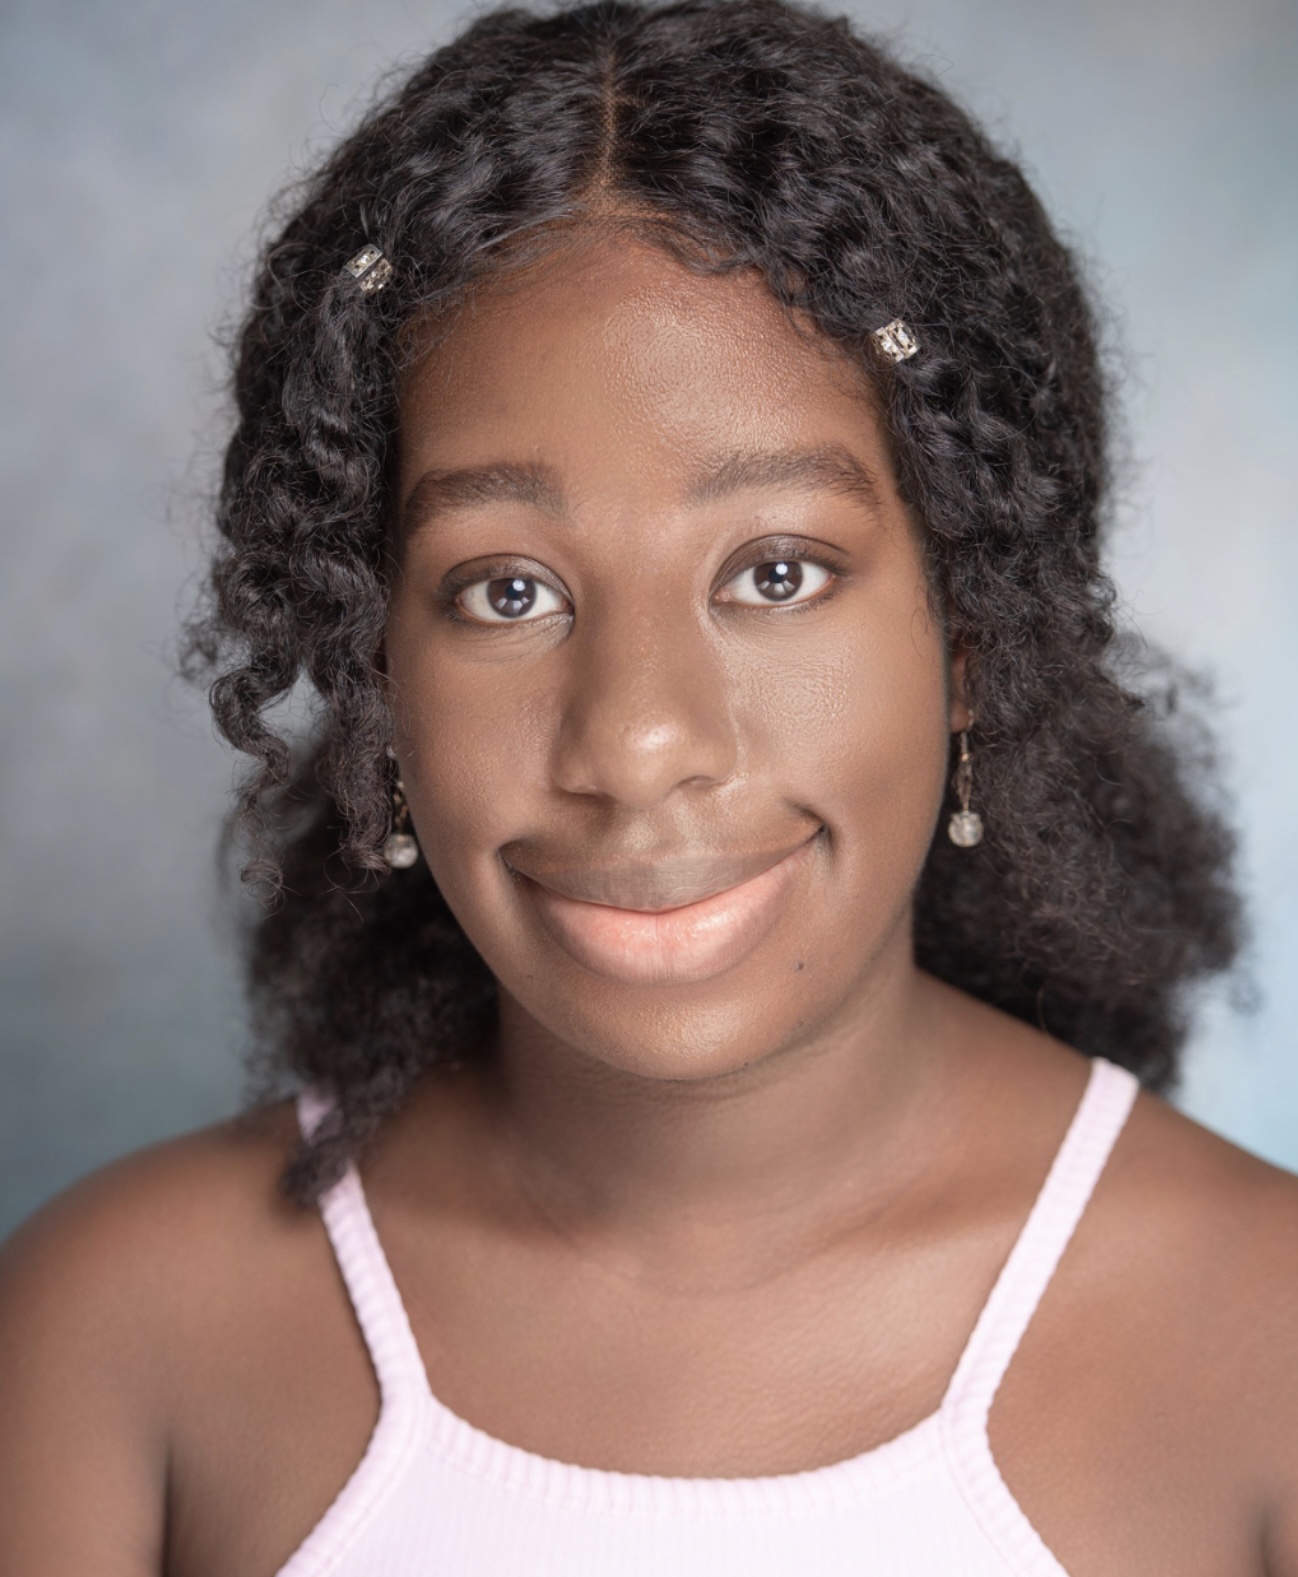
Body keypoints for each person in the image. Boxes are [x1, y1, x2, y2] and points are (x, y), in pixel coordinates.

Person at [1, 0, 1295, 1571]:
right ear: (375, 668)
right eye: (506, 591)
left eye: (773, 571)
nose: (633, 741)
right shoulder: (113, 1332)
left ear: (971, 637)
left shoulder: (1264, 1347)